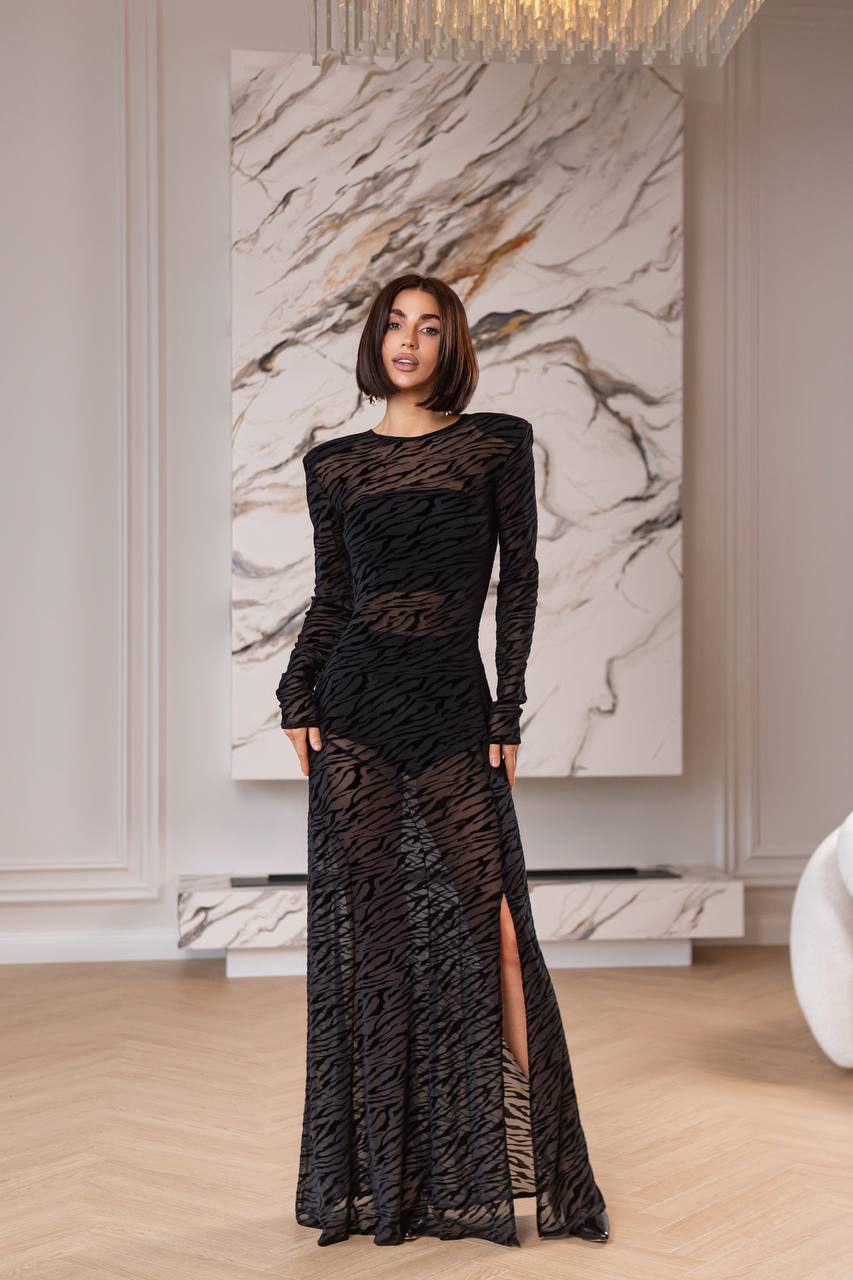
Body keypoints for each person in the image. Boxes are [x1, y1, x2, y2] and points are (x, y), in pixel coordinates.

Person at [276, 272, 609, 1249]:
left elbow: (519, 582)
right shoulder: (334, 465)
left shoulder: (495, 444)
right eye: (395, 324)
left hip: (454, 713)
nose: (408, 341)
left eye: (428, 327)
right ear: (375, 339)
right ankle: (391, 1185)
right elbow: (333, 597)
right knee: (375, 945)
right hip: (353, 713)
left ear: (449, 345)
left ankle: (560, 1175)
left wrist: (507, 710)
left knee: (497, 932)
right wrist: (295, 692)